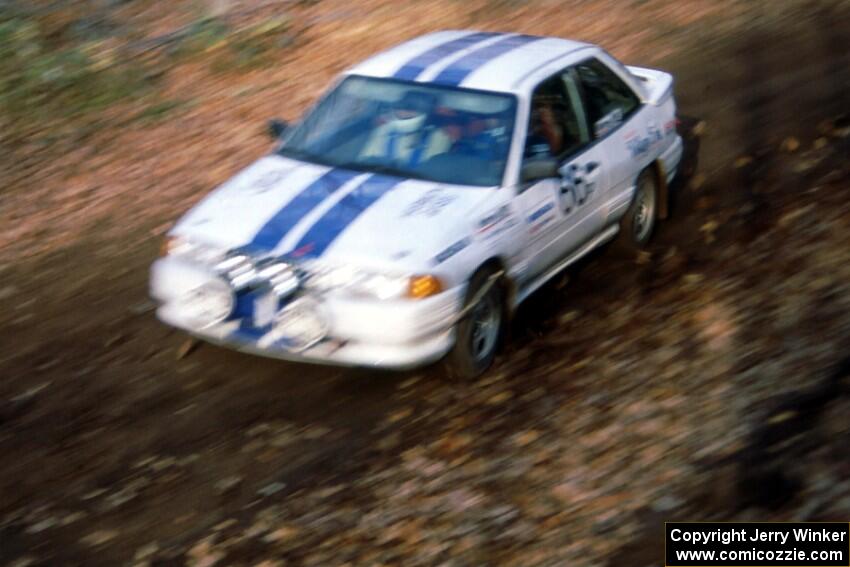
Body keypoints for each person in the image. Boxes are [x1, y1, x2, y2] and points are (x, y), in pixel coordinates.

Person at [360, 91, 451, 166]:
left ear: (425, 112)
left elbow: (435, 168)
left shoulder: (439, 137)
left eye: (411, 109)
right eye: (401, 107)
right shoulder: (383, 130)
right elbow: (365, 161)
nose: (404, 112)